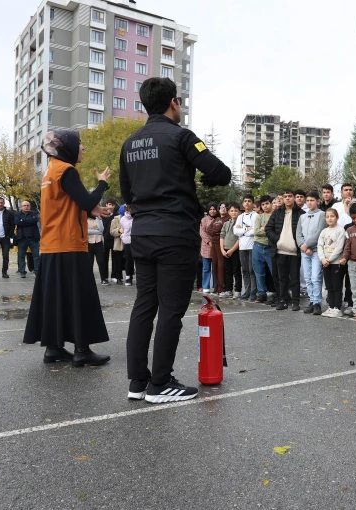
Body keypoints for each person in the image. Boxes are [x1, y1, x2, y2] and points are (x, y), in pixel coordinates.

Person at [119, 76, 232, 402]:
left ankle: (138, 382)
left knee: (144, 305)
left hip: (142, 234)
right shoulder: (182, 137)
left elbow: (127, 195)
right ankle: (161, 383)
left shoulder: (130, 143)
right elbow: (220, 172)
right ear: (173, 102)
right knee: (170, 309)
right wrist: (193, 184)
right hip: (175, 234)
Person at [23, 129, 111, 367]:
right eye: (80, 144)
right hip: (70, 244)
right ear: (68, 147)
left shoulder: (50, 171)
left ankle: (54, 348)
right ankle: (82, 350)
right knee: (79, 298)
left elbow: (69, 205)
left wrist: (89, 209)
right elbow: (86, 201)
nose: (82, 148)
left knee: (56, 298)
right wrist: (102, 184)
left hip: (52, 245)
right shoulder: (67, 170)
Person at [266, 189, 305, 310]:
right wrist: (278, 240)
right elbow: (268, 229)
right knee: (281, 278)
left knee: (295, 278)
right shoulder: (277, 212)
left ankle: (295, 302)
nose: (287, 198)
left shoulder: (301, 213)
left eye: (290, 196)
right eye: (285, 196)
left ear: (294, 198)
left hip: (294, 251)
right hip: (280, 251)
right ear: (282, 198)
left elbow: (305, 231)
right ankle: (282, 300)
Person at [296, 191, 327, 315]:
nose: (309, 203)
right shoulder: (302, 216)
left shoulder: (322, 215)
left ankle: (317, 302)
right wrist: (303, 247)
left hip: (315, 251)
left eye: (312, 200)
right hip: (305, 251)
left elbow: (319, 232)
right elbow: (298, 233)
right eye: (307, 200)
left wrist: (307, 245)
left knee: (316, 277)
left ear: (318, 201)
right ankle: (312, 300)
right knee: (308, 278)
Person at [318, 208, 347, 318]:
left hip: (335, 262)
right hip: (325, 262)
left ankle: (337, 308)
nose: (330, 218)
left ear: (337, 217)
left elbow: (339, 247)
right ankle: (331, 306)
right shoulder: (324, 231)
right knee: (329, 286)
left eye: (332, 216)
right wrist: (323, 259)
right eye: (327, 216)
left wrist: (330, 259)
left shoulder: (340, 230)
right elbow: (320, 245)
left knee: (337, 286)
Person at [234, 194, 258, 301]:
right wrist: (246, 230)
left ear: (253, 203)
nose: (247, 203)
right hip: (242, 246)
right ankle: (247, 291)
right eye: (245, 201)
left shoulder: (256, 215)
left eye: (249, 201)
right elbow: (236, 231)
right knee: (244, 270)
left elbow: (255, 231)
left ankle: (253, 291)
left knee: (252, 270)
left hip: (252, 246)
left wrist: (243, 231)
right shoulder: (240, 216)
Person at [253, 195, 275, 304]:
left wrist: (265, 229)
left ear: (271, 203)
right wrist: (267, 230)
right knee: (259, 272)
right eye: (263, 204)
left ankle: (278, 293)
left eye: (267, 203)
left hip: (270, 247)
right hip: (257, 246)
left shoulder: (275, 216)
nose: (265, 206)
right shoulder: (259, 217)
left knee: (274, 271)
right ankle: (261, 293)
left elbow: (275, 233)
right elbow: (256, 232)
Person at [219, 202, 242, 298]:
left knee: (236, 270)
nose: (233, 213)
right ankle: (228, 290)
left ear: (239, 212)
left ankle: (237, 290)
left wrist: (232, 250)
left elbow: (240, 238)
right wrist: (222, 250)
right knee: (227, 270)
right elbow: (222, 236)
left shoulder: (240, 223)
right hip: (225, 250)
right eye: (231, 211)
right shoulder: (226, 223)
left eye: (236, 211)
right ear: (228, 212)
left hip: (235, 250)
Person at [15, 201, 41, 278]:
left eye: (27, 205)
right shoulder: (18, 215)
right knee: (21, 256)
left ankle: (37, 271)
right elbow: (17, 222)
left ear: (29, 206)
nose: (26, 207)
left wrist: (23, 220)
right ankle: (22, 272)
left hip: (33, 239)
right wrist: (29, 221)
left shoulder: (34, 214)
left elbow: (35, 220)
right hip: (22, 239)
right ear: (21, 207)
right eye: (24, 205)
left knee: (36, 256)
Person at [205, 203, 227, 294]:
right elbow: (208, 230)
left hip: (222, 243)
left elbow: (222, 230)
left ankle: (222, 286)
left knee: (221, 265)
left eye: (224, 207)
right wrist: (217, 231)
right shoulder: (217, 219)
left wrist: (217, 231)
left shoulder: (228, 218)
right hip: (214, 243)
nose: (222, 209)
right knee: (215, 265)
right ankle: (217, 286)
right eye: (220, 207)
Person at [199, 203, 218, 293]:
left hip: (217, 246)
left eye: (214, 209)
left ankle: (215, 286)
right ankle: (205, 286)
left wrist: (215, 242)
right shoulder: (204, 220)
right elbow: (202, 232)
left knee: (215, 268)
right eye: (210, 209)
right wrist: (209, 241)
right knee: (206, 268)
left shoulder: (219, 219)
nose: (212, 211)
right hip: (206, 246)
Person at [87, 217, 108, 284]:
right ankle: (89, 279)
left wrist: (97, 219)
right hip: (89, 242)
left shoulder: (98, 219)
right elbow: (85, 230)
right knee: (90, 262)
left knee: (101, 261)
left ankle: (103, 279)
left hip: (99, 242)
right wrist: (97, 231)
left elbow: (101, 229)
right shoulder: (85, 219)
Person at [119, 205, 134, 286]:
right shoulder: (123, 219)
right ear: (127, 209)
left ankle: (137, 277)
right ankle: (128, 278)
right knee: (128, 260)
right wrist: (123, 237)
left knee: (137, 260)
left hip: (136, 241)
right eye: (130, 208)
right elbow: (122, 230)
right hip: (127, 242)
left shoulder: (137, 217)